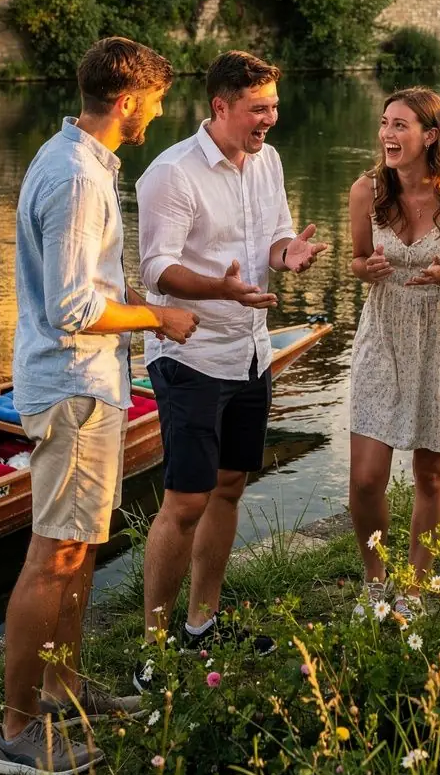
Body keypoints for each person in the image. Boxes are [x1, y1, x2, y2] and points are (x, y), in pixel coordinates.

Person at [0, 38, 199, 775]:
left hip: (87, 384)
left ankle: (63, 687)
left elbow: (88, 285)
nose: (160, 114)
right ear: (128, 101)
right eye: (157, 102)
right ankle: (18, 732)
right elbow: (74, 307)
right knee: (54, 555)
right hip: (73, 387)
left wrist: (136, 303)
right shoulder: (78, 178)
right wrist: (159, 318)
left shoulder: (75, 160)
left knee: (78, 548)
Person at [135, 50, 327, 657]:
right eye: (258, 108)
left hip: (249, 350)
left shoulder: (268, 160)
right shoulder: (172, 173)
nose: (271, 118)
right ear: (221, 107)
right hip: (188, 353)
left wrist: (288, 255)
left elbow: (274, 237)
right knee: (186, 499)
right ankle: (154, 651)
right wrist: (221, 289)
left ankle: (202, 625)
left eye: (274, 106)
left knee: (229, 486)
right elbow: (156, 270)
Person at [349, 88, 440, 615]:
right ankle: (375, 580)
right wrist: (365, 269)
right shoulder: (366, 191)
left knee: (431, 475)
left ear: (430, 135)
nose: (387, 134)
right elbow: (357, 261)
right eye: (384, 123)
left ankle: (415, 586)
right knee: (366, 479)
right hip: (383, 336)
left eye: (401, 125)